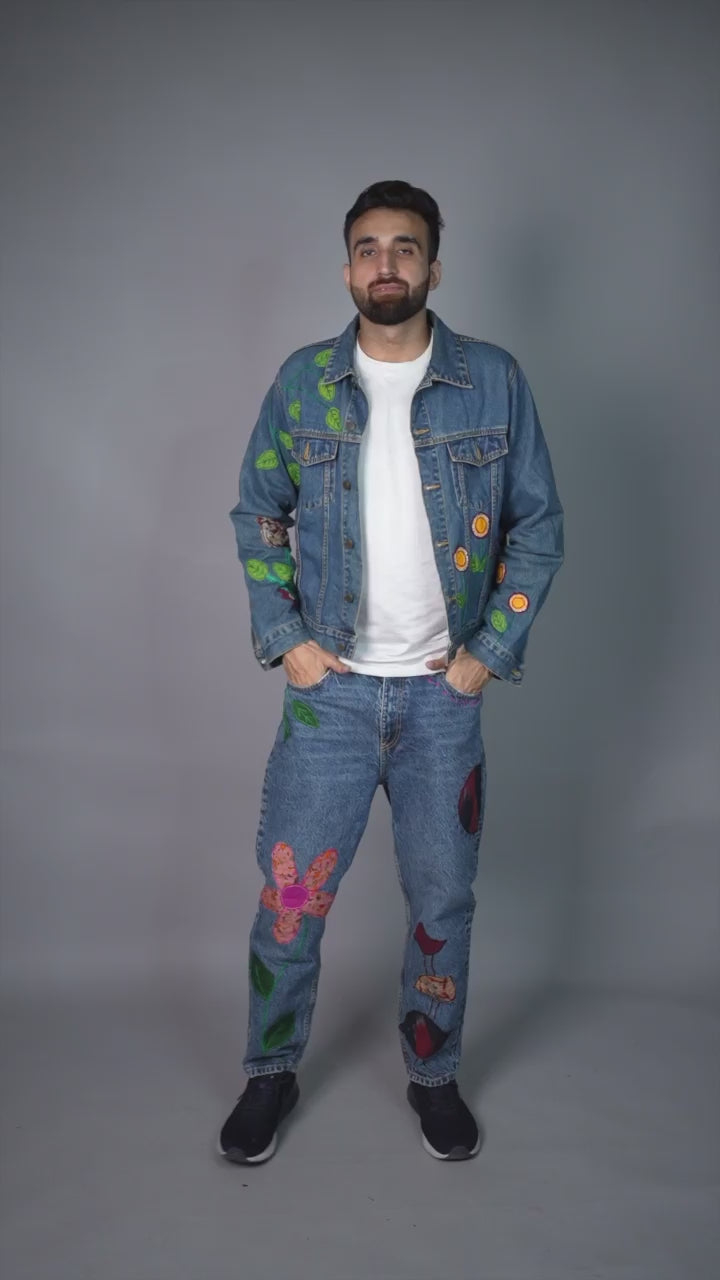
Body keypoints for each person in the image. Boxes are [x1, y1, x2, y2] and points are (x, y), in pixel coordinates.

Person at [219, 180, 563, 1164]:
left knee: (443, 902)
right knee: (291, 903)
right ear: (347, 269)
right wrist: (286, 635)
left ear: (433, 268)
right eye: (368, 247)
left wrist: (487, 655)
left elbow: (539, 527)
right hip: (328, 696)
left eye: (405, 247)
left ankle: (433, 1073)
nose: (386, 264)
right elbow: (258, 512)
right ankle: (270, 1070)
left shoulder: (493, 380)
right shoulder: (302, 382)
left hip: (440, 701)